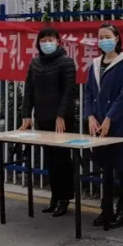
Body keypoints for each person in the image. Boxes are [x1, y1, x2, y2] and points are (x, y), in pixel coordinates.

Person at [83, 22, 123, 229]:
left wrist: (109, 117)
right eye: (101, 37)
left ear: (116, 39)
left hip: (118, 123)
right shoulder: (96, 64)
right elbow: (89, 93)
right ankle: (106, 209)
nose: (104, 40)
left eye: (107, 36)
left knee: (122, 167)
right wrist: (90, 116)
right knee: (105, 167)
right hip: (99, 125)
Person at [20, 26, 77, 217]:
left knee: (62, 159)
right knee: (51, 160)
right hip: (42, 118)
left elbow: (69, 91)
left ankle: (65, 198)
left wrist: (61, 115)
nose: (47, 43)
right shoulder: (35, 63)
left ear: (58, 42)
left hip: (61, 120)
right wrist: (27, 114)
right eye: (43, 40)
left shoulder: (66, 62)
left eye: (50, 39)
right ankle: (55, 196)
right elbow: (29, 90)